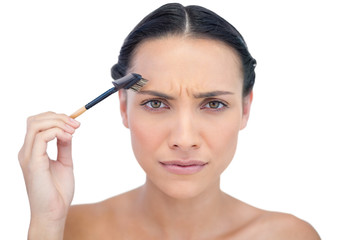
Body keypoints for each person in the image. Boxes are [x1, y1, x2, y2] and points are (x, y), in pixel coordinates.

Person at [18, 3, 320, 239]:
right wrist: (46, 225)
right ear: (123, 107)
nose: (185, 138)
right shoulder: (69, 231)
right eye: (156, 103)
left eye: (214, 104)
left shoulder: (289, 236)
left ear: (245, 108)